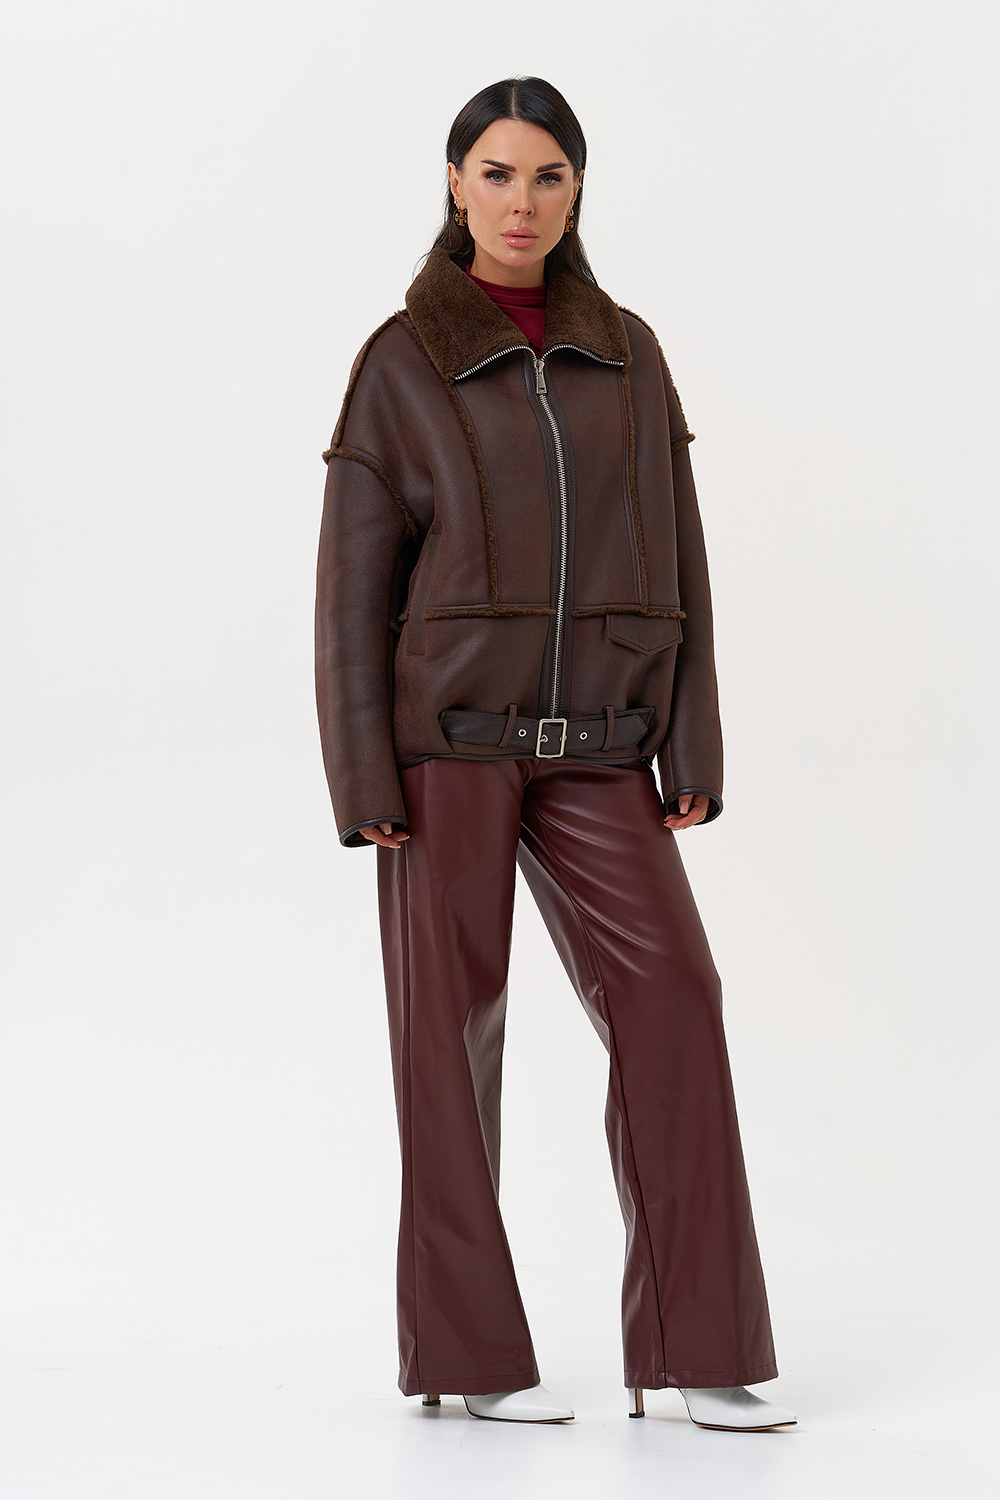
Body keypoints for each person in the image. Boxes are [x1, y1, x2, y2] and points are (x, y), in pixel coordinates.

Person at [314, 76, 796, 1432]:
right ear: (455, 183)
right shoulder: (402, 359)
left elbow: (680, 549)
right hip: (446, 749)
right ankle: (468, 1357)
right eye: (497, 173)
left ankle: (697, 1346)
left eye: (547, 176)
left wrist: (689, 737)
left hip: (601, 745)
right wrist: (364, 777)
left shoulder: (629, 352)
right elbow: (351, 590)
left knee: (675, 996)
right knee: (448, 1037)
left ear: (578, 191)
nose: (521, 201)